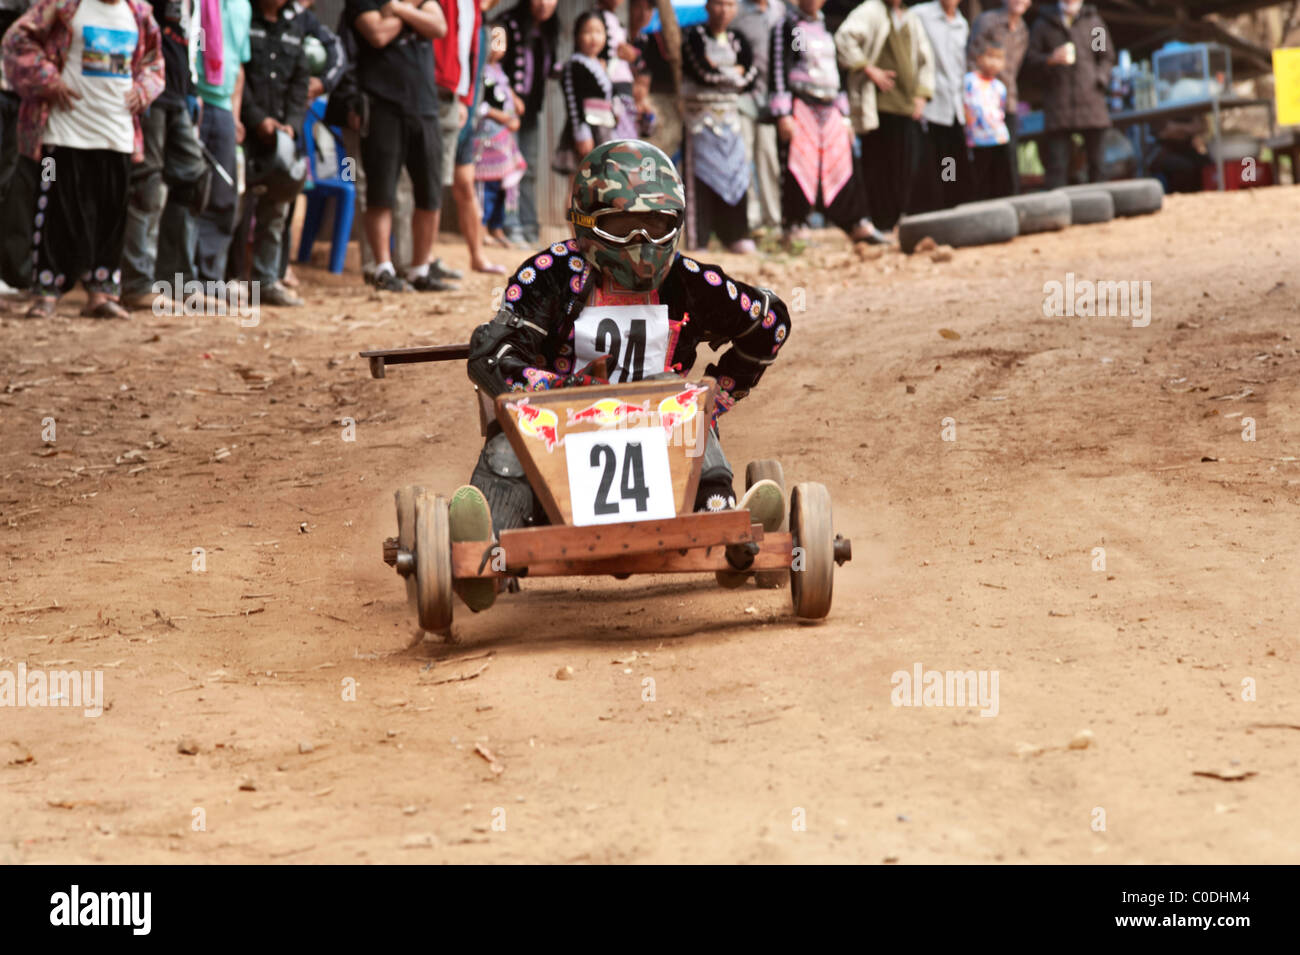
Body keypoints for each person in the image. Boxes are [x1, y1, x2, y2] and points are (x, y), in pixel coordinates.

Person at [451, 140, 792, 609]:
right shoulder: (548, 275)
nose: (641, 243)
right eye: (623, 226)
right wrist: (558, 389)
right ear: (585, 223)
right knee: (507, 448)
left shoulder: (692, 281)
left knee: (692, 414)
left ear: (676, 224)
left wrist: (721, 395)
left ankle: (724, 520)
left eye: (656, 225)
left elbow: (769, 324)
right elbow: (492, 355)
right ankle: (485, 545)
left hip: (668, 427)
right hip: (556, 431)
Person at [3, 0, 164, 319]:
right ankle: (47, 292)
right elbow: (16, 39)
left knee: (111, 215)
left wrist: (143, 90)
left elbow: (154, 63)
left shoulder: (139, 13)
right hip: (64, 131)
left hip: (117, 133)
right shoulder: (64, 6)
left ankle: (101, 294)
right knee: (55, 211)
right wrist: (46, 78)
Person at [345, 0, 448, 292]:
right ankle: (382, 268)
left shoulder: (423, 2)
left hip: (426, 109)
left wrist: (398, 10)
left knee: (430, 194)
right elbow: (377, 34)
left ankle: (419, 269)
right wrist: (413, 15)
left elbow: (439, 27)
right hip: (382, 108)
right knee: (381, 193)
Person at [117, 0, 208, 308]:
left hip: (178, 93)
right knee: (146, 185)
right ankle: (137, 284)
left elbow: (185, 37)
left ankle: (178, 282)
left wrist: (192, 90)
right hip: (146, 93)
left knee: (193, 178)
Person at [770, 0, 883, 244]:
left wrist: (845, 116)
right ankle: (795, 225)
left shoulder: (826, 28)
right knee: (799, 166)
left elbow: (836, 72)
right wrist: (783, 113)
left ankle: (856, 223)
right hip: (802, 106)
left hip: (830, 107)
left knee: (844, 163)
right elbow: (780, 68)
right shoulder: (790, 27)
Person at [231, 0, 309, 306]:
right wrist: (256, 118)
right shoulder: (242, 18)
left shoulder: (294, 29)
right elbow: (239, 74)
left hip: (282, 140)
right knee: (236, 206)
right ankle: (232, 280)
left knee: (276, 210)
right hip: (246, 131)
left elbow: (300, 83)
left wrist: (291, 124)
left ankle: (266, 281)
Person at [835, 0, 934, 234]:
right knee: (878, 167)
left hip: (906, 105)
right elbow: (843, 38)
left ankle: (900, 220)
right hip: (878, 105)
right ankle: (881, 222)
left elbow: (925, 59)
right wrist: (868, 68)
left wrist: (921, 95)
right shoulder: (871, 10)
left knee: (904, 167)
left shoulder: (910, 18)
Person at [681, 0, 756, 253]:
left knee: (736, 176)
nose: (724, 10)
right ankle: (699, 239)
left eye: (730, 4)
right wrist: (733, 72)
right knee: (700, 179)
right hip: (700, 121)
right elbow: (701, 71)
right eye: (719, 3)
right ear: (708, 6)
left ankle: (735, 235)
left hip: (731, 122)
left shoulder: (739, 38)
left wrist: (722, 70)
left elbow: (751, 76)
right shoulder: (694, 36)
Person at [1025, 0, 1114, 189]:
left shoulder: (1093, 23)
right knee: (1057, 165)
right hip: (1058, 104)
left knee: (1097, 163)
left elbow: (1105, 57)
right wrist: (1050, 59)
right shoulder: (1044, 24)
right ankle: (1057, 212)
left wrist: (1099, 80)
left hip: (1091, 102)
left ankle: (1100, 207)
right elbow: (1030, 61)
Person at [193, 0, 251, 284]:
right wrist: (191, 96)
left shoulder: (243, 6)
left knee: (224, 196)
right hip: (194, 103)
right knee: (189, 192)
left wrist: (235, 114)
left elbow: (238, 67)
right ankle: (180, 279)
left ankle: (209, 279)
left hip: (224, 109)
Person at [494, 0, 557, 247]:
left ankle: (529, 226)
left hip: (530, 112)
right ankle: (509, 225)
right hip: (505, 113)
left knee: (529, 168)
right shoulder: (504, 24)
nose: (544, 4)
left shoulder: (549, 30)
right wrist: (509, 94)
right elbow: (491, 64)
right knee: (510, 170)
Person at [731, 0, 783, 237]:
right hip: (743, 99)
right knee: (745, 159)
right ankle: (751, 221)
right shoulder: (736, 12)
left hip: (773, 102)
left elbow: (796, 48)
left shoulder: (781, 12)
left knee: (769, 159)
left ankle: (774, 220)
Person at [910, 0, 966, 213]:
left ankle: (948, 204)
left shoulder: (962, 24)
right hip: (928, 102)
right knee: (928, 160)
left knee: (949, 159)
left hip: (953, 104)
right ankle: (928, 209)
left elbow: (960, 65)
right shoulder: (919, 15)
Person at [966, 0, 1028, 193]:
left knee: (1008, 159)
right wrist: (981, 94)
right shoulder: (987, 22)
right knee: (983, 161)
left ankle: (1011, 206)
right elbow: (971, 58)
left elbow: (1015, 68)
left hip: (1006, 101)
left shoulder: (1023, 29)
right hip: (981, 104)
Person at [475, 22, 526, 248]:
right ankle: (482, 228)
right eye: (493, 40)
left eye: (501, 41)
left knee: (505, 186)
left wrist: (516, 101)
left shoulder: (499, 71)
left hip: (504, 141)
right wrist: (504, 117)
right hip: (486, 140)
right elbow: (480, 106)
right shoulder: (479, 71)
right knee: (487, 188)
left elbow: (509, 97)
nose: (498, 46)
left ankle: (497, 227)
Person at [555, 11, 619, 173]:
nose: (593, 38)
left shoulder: (601, 64)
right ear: (577, 36)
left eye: (598, 32)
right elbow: (572, 100)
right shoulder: (575, 65)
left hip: (602, 130)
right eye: (587, 32)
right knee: (579, 180)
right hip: (586, 131)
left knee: (598, 180)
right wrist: (581, 133)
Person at [963, 42, 1011, 200]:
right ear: (979, 58)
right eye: (990, 56)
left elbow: (1001, 109)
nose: (993, 62)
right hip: (976, 139)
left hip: (999, 137)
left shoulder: (1000, 87)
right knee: (979, 181)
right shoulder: (969, 82)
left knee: (999, 179)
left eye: (998, 58)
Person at [596, 0, 638, 138]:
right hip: (609, 90)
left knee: (626, 139)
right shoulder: (596, 18)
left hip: (624, 88)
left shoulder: (616, 20)